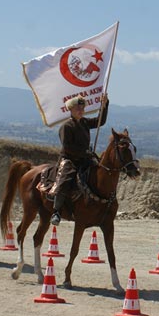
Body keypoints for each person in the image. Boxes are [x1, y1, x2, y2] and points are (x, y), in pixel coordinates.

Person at [50, 93, 109, 225]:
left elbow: (101, 121)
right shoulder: (66, 127)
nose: (81, 111)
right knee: (65, 178)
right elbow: (68, 147)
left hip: (85, 158)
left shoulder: (85, 122)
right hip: (70, 159)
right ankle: (56, 211)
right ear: (70, 110)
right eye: (78, 108)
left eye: (82, 109)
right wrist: (86, 153)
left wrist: (104, 105)